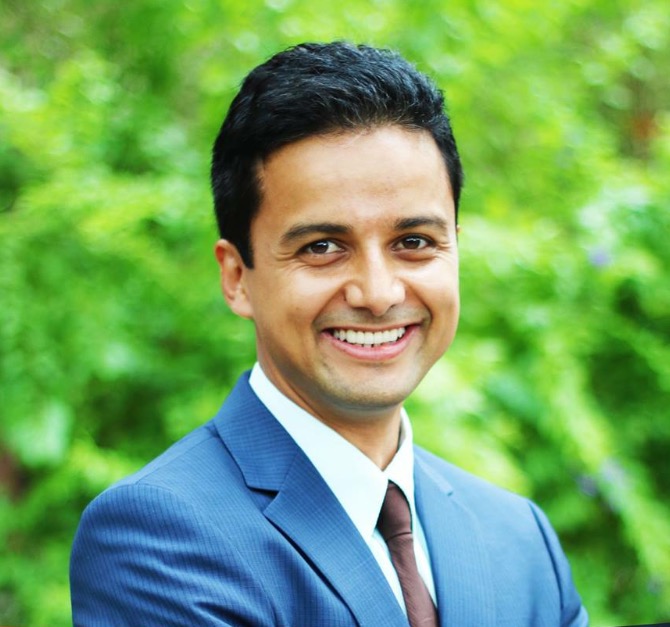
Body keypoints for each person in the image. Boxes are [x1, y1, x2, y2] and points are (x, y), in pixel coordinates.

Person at [70, 42, 589, 626]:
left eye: (414, 242)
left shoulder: (518, 538)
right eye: (322, 247)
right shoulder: (158, 540)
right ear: (237, 278)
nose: (378, 293)